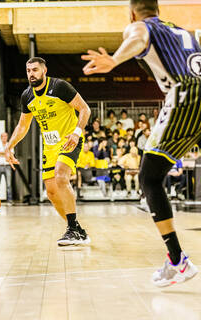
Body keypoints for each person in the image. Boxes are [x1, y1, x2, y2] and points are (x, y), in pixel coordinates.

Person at [82, 0, 199, 286]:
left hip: (186, 96)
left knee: (149, 177)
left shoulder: (141, 25)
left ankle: (177, 260)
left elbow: (136, 37)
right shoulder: (186, 33)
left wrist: (115, 59)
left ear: (132, 12)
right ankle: (176, 261)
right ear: (158, 9)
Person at [5, 57, 91, 246]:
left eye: (35, 70)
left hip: (70, 139)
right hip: (50, 146)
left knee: (61, 176)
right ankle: (75, 228)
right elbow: (23, 125)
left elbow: (85, 109)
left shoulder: (60, 87)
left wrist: (77, 133)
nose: (31, 74)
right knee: (51, 192)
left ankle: (72, 230)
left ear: (44, 71)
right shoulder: (27, 96)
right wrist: (9, 145)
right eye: (28, 71)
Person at [0, 132, 13, 203]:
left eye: (5, 136)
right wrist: (5, 153)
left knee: (8, 184)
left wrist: (1, 153)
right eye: (3, 136)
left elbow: (11, 155)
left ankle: (10, 200)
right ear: (1, 137)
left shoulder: (10, 145)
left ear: (7, 137)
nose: (4, 138)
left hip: (7, 166)